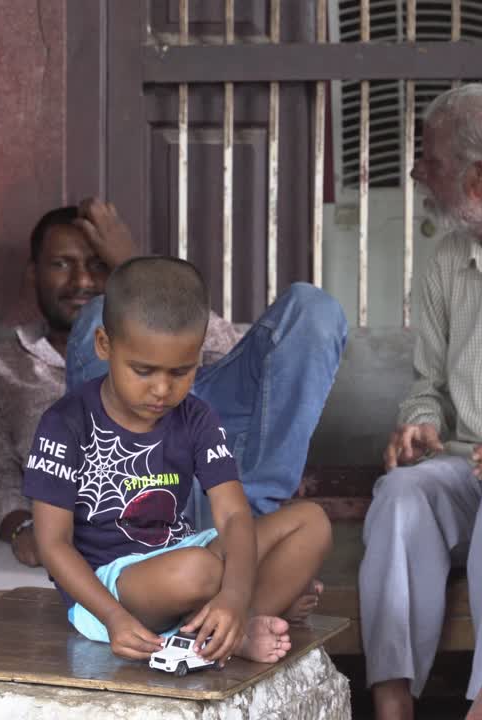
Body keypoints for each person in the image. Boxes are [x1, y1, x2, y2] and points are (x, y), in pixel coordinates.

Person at [0, 201, 347, 566]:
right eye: (62, 264)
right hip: (130, 509)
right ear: (33, 271)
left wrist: (134, 269)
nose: (82, 279)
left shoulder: (177, 346)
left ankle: (241, 533)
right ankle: (205, 547)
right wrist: (23, 530)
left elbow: (234, 356)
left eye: (98, 264)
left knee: (313, 309)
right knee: (98, 312)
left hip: (225, 471)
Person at [25, 256, 332, 664]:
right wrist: (114, 617)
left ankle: (237, 623)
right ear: (104, 345)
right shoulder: (65, 423)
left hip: (187, 551)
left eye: (181, 371)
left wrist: (236, 598)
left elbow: (235, 518)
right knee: (200, 571)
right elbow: (53, 544)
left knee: (310, 523)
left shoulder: (195, 416)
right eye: (143, 370)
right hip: (109, 589)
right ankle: (241, 621)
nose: (162, 389)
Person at [358, 84, 482, 719]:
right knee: (400, 496)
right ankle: (391, 704)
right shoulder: (446, 262)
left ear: (479, 177)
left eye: (429, 159)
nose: (416, 172)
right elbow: (427, 384)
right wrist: (420, 423)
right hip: (462, 466)